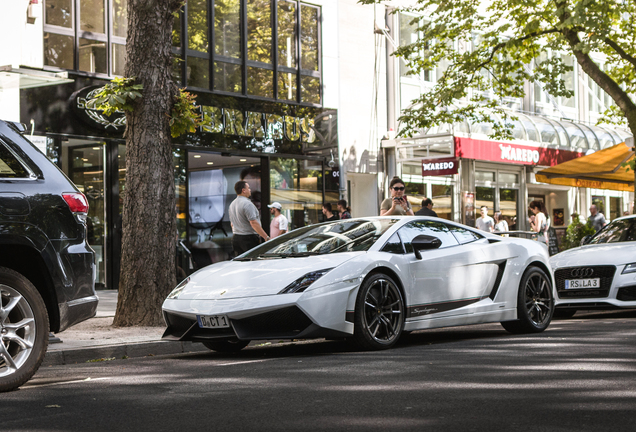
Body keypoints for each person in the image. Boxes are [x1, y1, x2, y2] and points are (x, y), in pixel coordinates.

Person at [228, 180, 269, 256]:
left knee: (241, 263)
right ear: (243, 190)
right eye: (248, 188)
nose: (250, 190)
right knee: (253, 262)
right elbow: (253, 223)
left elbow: (232, 224)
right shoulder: (247, 204)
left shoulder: (232, 204)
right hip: (248, 239)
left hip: (236, 238)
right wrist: (266, 237)